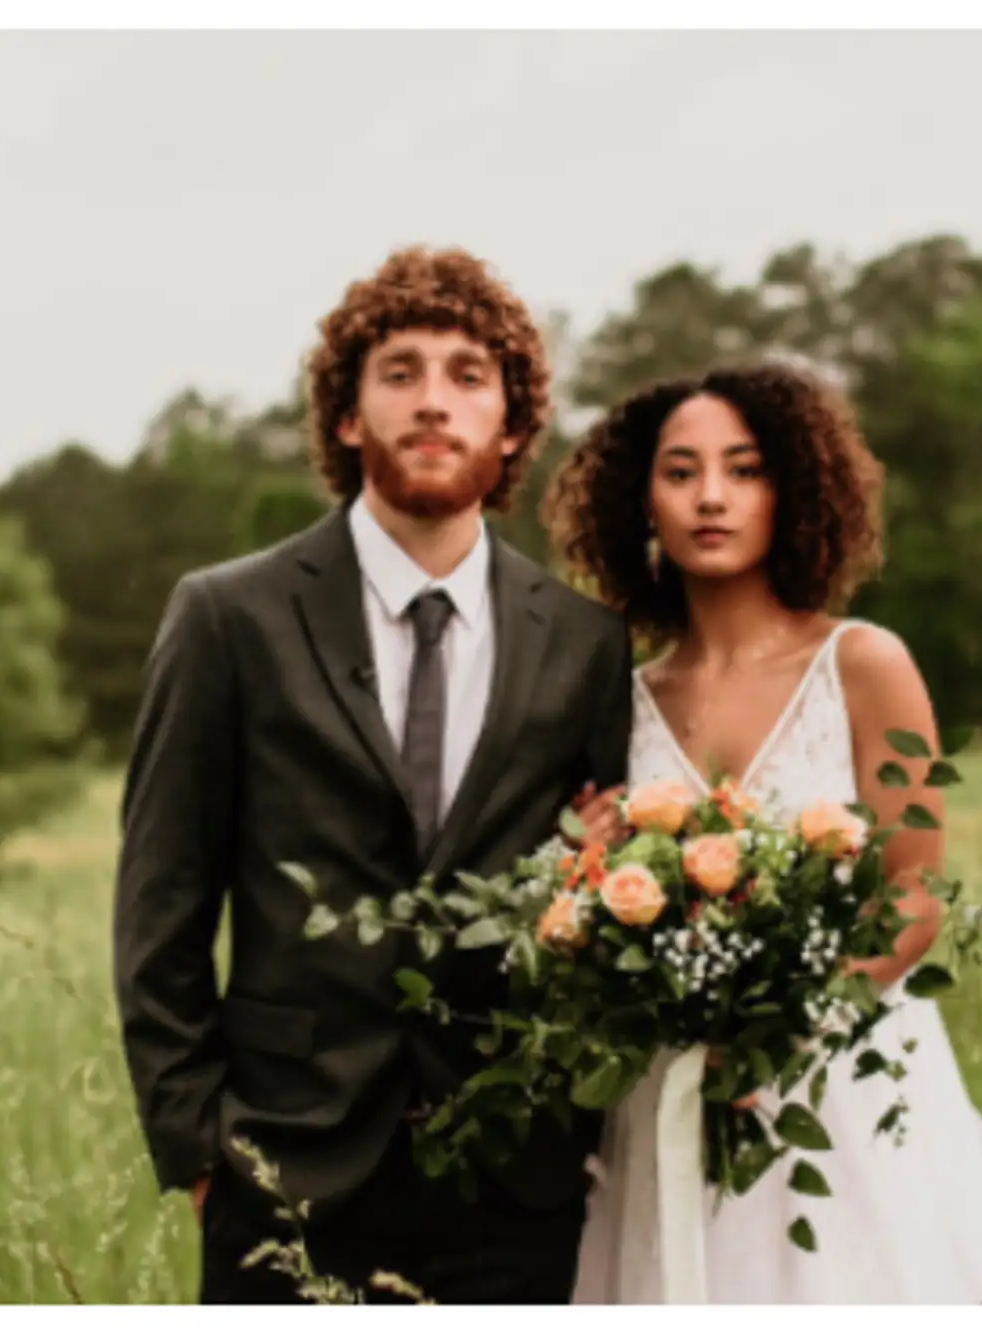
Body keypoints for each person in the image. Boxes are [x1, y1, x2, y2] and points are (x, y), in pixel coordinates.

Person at [541, 361, 982, 1304]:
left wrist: (785, 1034)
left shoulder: (863, 663)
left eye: (745, 470)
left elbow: (913, 890)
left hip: (842, 1089)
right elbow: (609, 912)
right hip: (673, 1099)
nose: (712, 497)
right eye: (680, 471)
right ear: (641, 501)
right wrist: (589, 865)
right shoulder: (616, 701)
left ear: (794, 489)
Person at [112, 246, 635, 1304]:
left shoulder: (585, 643)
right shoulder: (228, 617)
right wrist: (206, 1153)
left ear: (513, 425)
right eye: (399, 373)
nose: (432, 402)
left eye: (466, 376)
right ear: (347, 417)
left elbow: (606, 898)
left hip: (516, 1185)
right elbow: (159, 906)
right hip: (282, 1171)